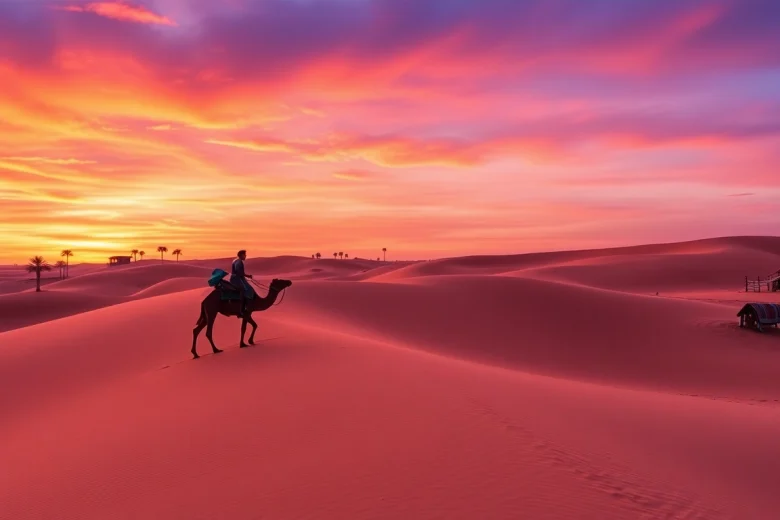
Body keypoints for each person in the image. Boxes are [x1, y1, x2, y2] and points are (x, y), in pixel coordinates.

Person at [230, 250, 254, 318]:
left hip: (238, 279)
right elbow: (239, 273)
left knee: (248, 289)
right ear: (241, 255)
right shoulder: (238, 262)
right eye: (244, 254)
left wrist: (245, 276)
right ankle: (240, 310)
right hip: (236, 279)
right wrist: (247, 276)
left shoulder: (236, 260)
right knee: (244, 290)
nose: (245, 256)